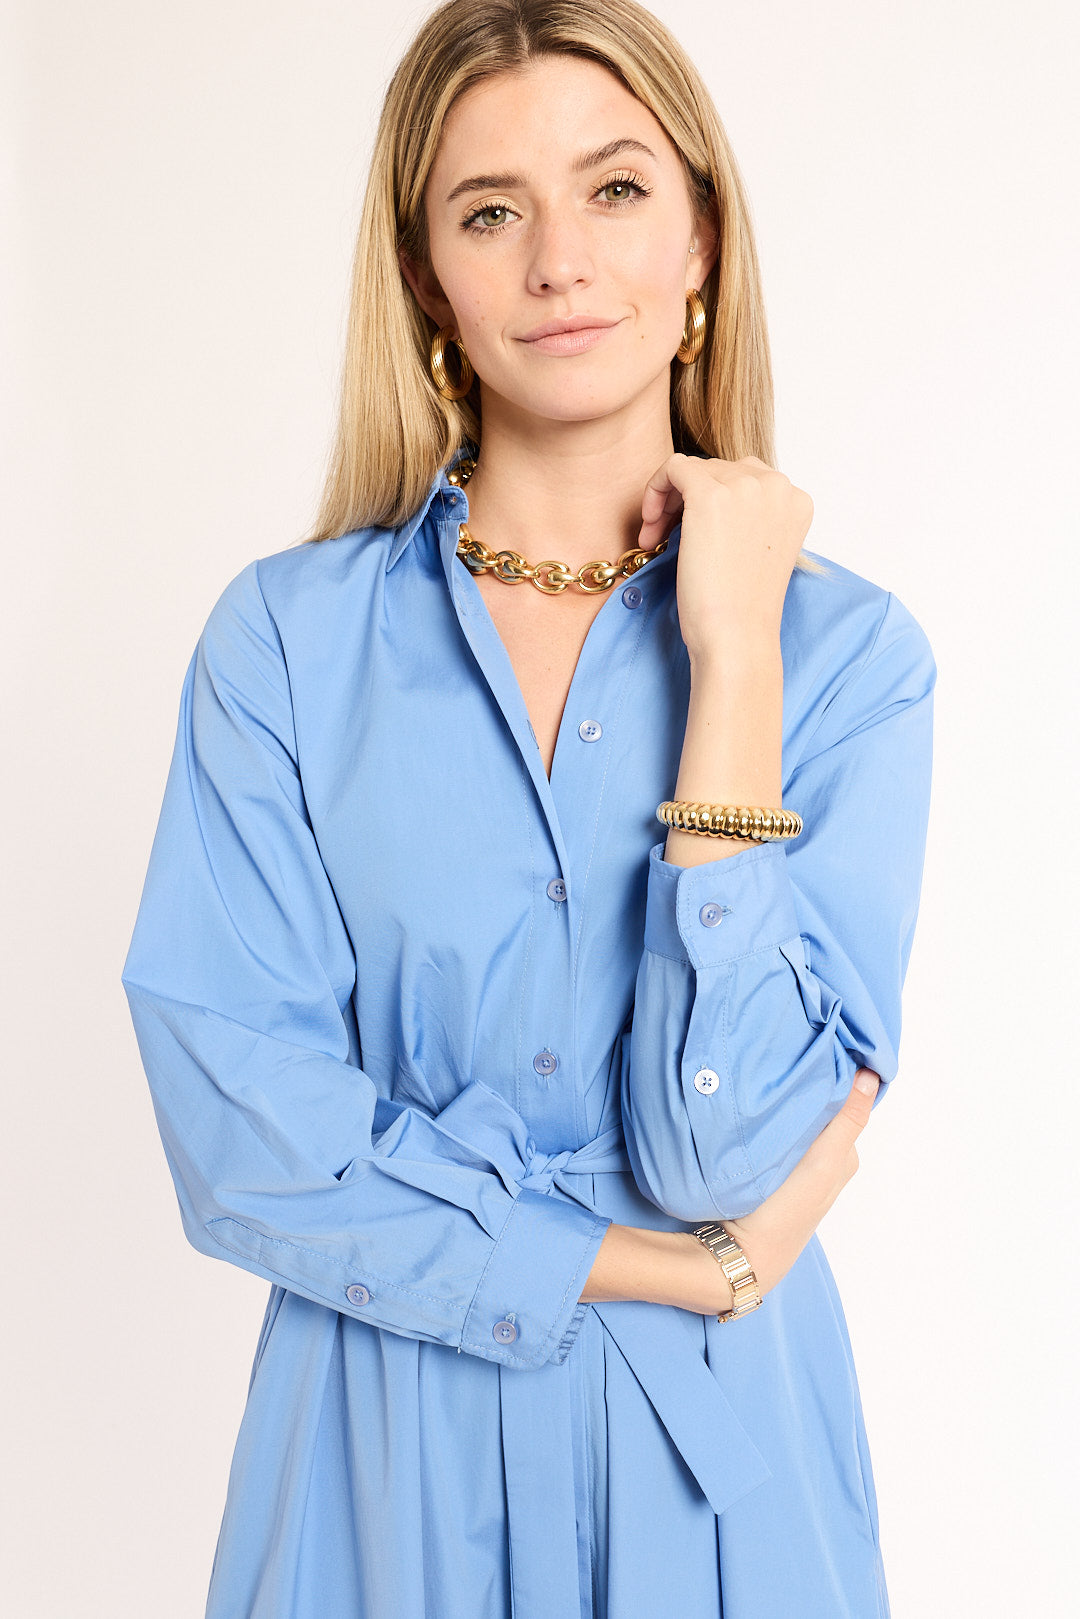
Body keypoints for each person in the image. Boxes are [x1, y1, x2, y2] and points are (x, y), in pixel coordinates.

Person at [120, 1, 936, 1614]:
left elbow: (725, 1142)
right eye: (491, 212)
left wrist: (732, 658)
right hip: (378, 1452)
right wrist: (662, 1268)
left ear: (703, 239)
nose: (560, 261)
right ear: (430, 279)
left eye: (615, 189)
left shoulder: (849, 659)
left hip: (722, 1475)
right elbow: (245, 1140)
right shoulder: (286, 645)